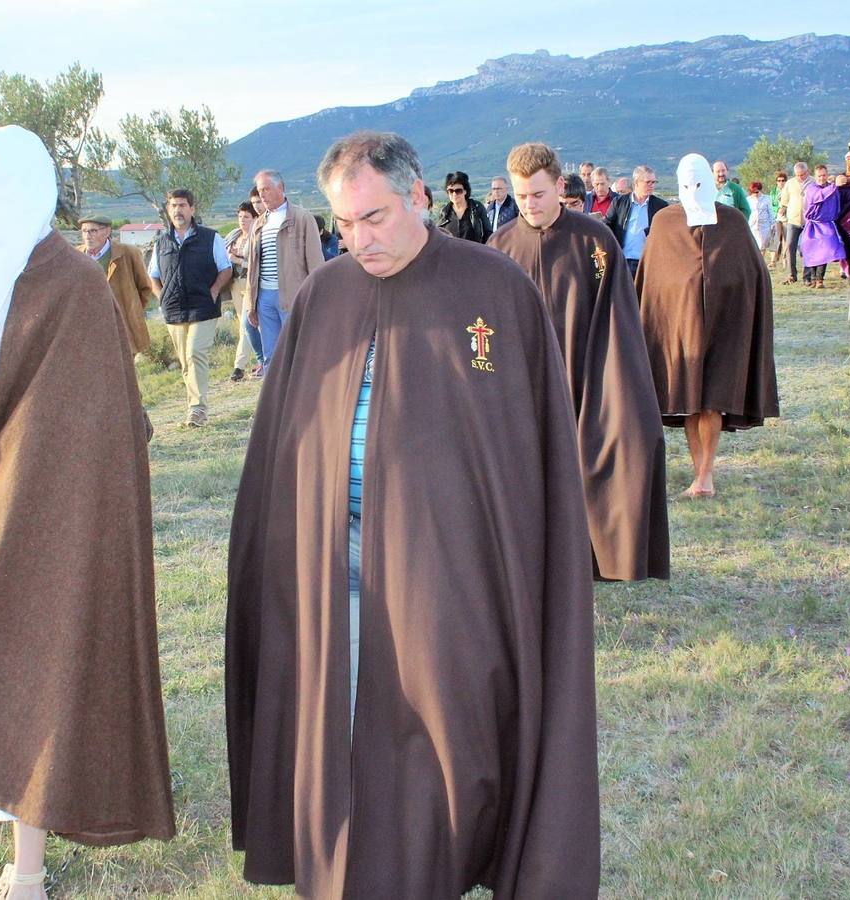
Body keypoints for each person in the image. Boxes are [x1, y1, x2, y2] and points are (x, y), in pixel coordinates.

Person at [226, 130, 600, 898]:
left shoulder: (493, 292)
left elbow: (528, 451)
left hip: (451, 576)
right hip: (340, 566)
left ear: (419, 196)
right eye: (343, 224)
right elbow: (287, 444)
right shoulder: (323, 298)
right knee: (340, 729)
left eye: (373, 218)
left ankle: (439, 866)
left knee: (441, 743)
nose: (357, 240)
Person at [0, 125, 174, 900]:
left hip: (50, 512)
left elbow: (96, 423)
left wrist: (24, 493)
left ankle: (28, 864)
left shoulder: (76, 286)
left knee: (37, 664)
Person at [489, 141, 669, 581]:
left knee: (615, 458)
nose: (529, 205)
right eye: (522, 195)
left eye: (539, 194)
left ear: (559, 186)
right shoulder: (499, 246)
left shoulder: (594, 240)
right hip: (522, 388)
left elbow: (617, 319)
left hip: (586, 374)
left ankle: (596, 559)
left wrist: (614, 389)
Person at [636, 153, 779, 498]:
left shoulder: (731, 221)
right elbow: (653, 277)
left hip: (724, 322)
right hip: (679, 325)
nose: (693, 191)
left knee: (713, 397)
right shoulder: (666, 222)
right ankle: (699, 469)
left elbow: (752, 273)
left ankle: (706, 472)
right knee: (689, 397)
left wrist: (730, 296)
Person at [149, 188, 232, 427]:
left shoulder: (210, 237)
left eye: (182, 205)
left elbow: (225, 268)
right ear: (168, 210)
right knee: (185, 361)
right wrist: (162, 297)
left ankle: (198, 409)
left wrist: (213, 291)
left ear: (192, 209)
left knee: (195, 353)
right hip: (174, 309)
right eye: (173, 205)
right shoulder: (161, 242)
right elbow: (153, 275)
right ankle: (193, 407)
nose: (178, 210)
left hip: (203, 306)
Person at [246, 170, 325, 365]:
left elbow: (315, 262)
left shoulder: (302, 218)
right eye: (259, 190)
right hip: (265, 297)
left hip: (294, 295)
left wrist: (316, 299)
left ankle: (301, 394)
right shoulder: (258, 224)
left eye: (266, 189)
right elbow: (252, 267)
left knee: (298, 351)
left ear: (280, 188)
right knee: (271, 354)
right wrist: (251, 302)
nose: (262, 194)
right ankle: (275, 394)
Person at [80, 214, 155, 355]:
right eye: (84, 231)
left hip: (121, 328)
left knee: (123, 373)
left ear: (107, 231)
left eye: (93, 231)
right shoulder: (76, 255)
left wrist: (131, 311)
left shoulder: (129, 253)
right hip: (87, 329)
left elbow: (145, 288)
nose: (87, 236)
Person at [605, 165, 667, 278]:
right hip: (623, 260)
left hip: (648, 263)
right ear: (636, 183)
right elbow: (606, 226)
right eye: (648, 182)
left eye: (654, 182)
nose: (652, 186)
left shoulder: (661, 206)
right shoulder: (619, 202)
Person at [226, 201, 263, 379]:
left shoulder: (257, 237)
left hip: (251, 284)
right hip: (235, 283)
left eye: (246, 217)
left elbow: (258, 265)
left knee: (246, 325)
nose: (242, 220)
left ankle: (239, 367)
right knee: (246, 324)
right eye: (240, 216)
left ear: (254, 218)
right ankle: (259, 360)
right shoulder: (233, 236)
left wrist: (238, 260)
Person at [800, 166, 848, 288]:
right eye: (819, 176)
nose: (822, 178)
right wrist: (834, 185)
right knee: (812, 252)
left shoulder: (832, 188)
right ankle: (811, 278)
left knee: (825, 252)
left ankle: (820, 280)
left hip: (827, 225)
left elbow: (836, 204)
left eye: (824, 175)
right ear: (815, 177)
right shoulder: (811, 188)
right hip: (813, 225)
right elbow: (818, 196)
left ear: (827, 175)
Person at [436, 170, 493, 243]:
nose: (454, 194)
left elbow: (488, 234)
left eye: (458, 191)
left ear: (465, 191)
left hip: (474, 253)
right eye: (450, 191)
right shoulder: (445, 213)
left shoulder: (477, 208)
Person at [778, 162, 810, 283]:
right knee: (790, 246)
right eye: (798, 175)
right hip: (793, 220)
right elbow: (784, 200)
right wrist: (782, 208)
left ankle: (807, 276)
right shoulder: (790, 184)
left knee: (807, 248)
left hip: (808, 220)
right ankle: (791, 275)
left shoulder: (813, 182)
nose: (800, 177)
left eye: (802, 174)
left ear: (807, 172)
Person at [747, 181, 774, 252]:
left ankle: (761, 261)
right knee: (753, 246)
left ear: (760, 190)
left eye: (756, 192)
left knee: (762, 246)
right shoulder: (748, 200)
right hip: (752, 225)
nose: (755, 194)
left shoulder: (767, 198)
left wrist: (772, 223)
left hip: (764, 225)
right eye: (752, 192)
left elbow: (770, 211)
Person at [768, 171, 788, 266]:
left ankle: (785, 260)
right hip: (777, 216)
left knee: (785, 239)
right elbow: (771, 204)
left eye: (783, 180)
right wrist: (778, 210)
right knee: (775, 237)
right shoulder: (773, 192)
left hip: (787, 217)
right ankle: (773, 260)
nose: (781, 182)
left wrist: (785, 208)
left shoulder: (788, 190)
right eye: (779, 180)